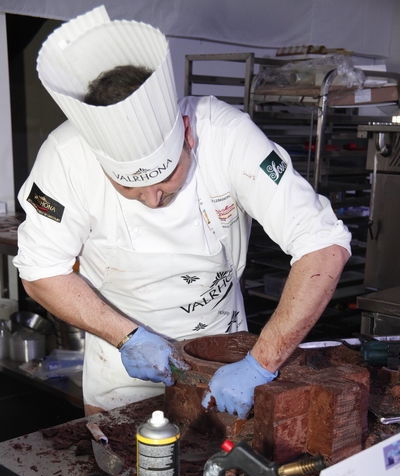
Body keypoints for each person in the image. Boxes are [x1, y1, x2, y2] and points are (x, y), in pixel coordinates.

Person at [13, 7, 351, 418]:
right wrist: (127, 337)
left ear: (187, 134)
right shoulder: (65, 158)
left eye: (166, 178)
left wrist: (260, 364)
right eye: (130, 188)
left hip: (227, 362)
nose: (153, 199)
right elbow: (41, 271)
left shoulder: (227, 136)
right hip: (123, 370)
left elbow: (323, 245)